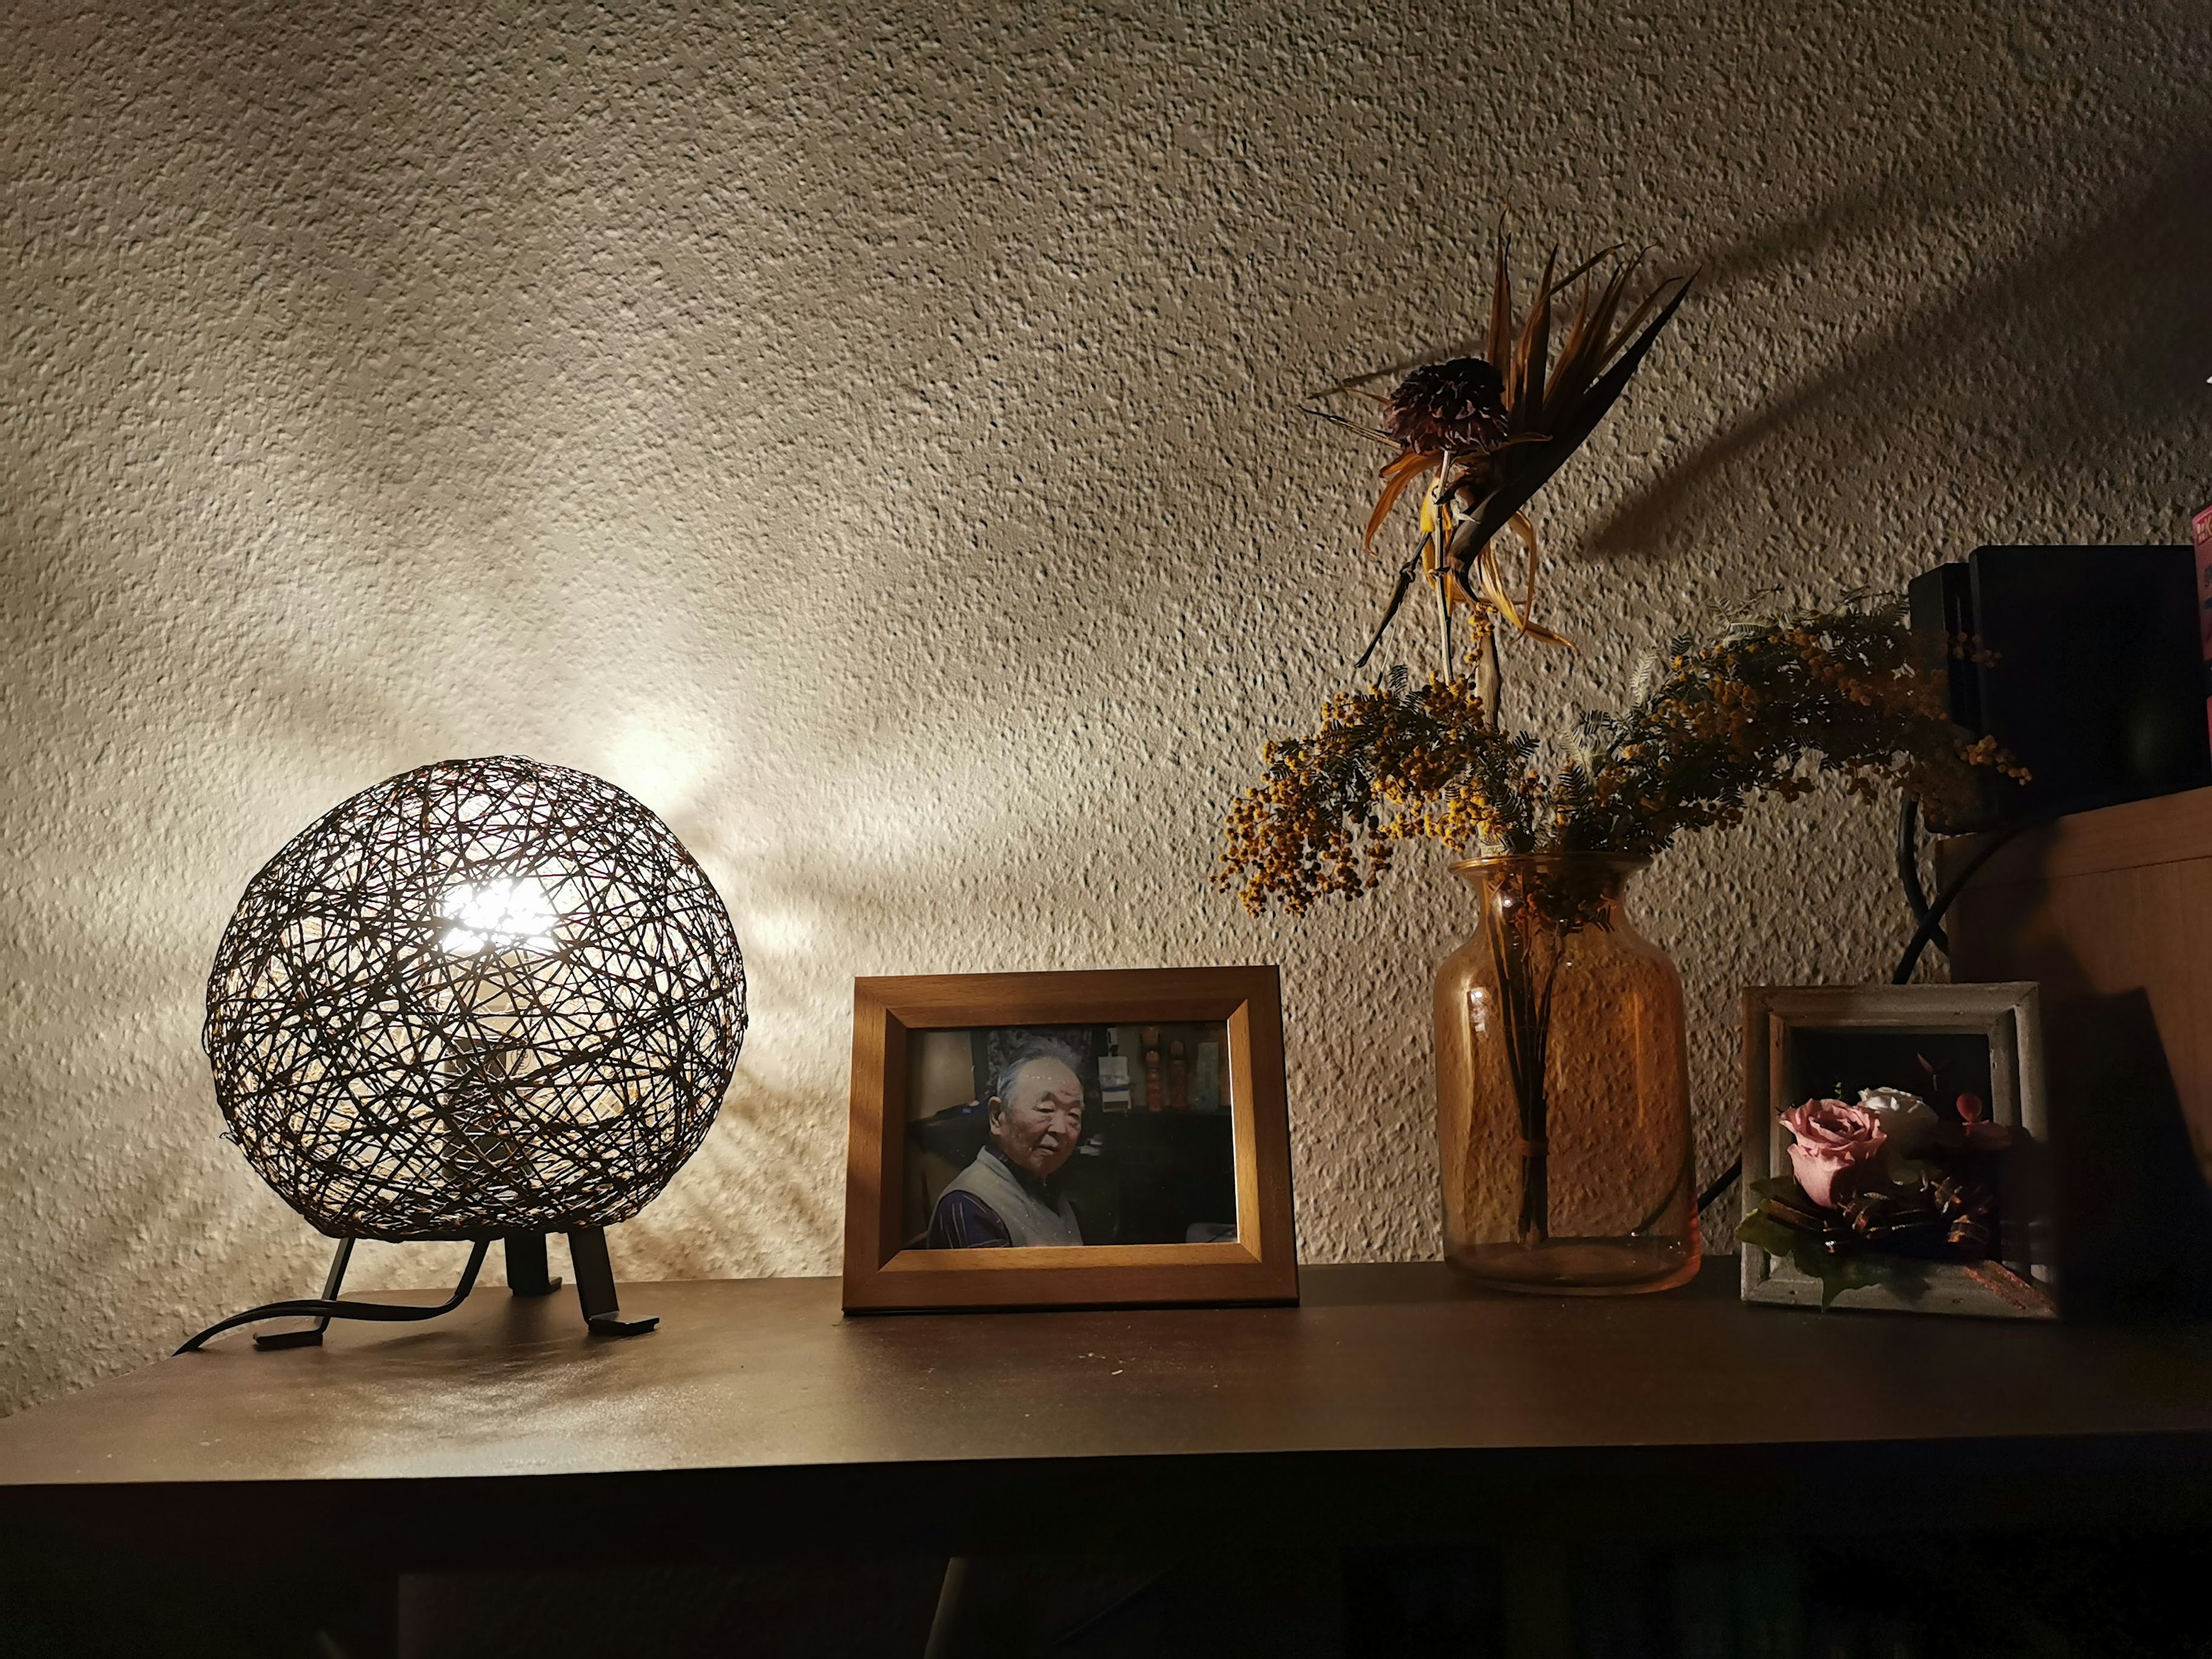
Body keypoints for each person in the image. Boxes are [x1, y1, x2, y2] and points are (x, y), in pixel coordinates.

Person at [927, 1041, 1086, 1247]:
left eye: (1074, 1115)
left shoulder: (1045, 1182)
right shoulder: (970, 1207)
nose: (1062, 1129)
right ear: (997, 1116)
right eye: (1045, 1109)